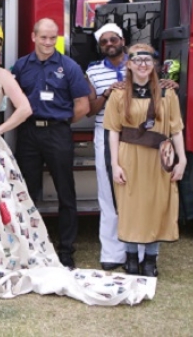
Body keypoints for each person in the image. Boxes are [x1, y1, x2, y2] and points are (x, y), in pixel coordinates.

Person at [0, 18, 156, 306]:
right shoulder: (3, 67)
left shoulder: (19, 72)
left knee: (50, 194)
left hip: (28, 137)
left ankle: (64, 251)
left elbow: (40, 106)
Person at [12, 18, 89, 268]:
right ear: (33, 37)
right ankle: (30, 248)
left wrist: (61, 121)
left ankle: (66, 251)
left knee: (66, 193)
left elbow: (82, 106)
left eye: (52, 37)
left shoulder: (70, 67)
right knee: (28, 193)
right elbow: (12, 100)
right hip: (28, 134)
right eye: (43, 37)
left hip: (58, 133)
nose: (48, 42)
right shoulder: (21, 66)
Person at [105, 44, 186, 277]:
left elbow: (176, 129)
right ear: (129, 65)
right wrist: (115, 164)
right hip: (129, 154)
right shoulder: (119, 94)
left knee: (156, 205)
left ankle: (150, 261)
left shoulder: (167, 94)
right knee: (131, 207)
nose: (142, 65)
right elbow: (113, 130)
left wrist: (182, 161)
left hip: (160, 157)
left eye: (147, 61)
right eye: (137, 61)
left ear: (154, 66)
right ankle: (131, 260)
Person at [85, 23, 128, 270]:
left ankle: (137, 250)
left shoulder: (140, 65)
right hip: (106, 132)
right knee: (108, 194)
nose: (109, 44)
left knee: (136, 194)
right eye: (104, 42)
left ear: (122, 40)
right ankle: (112, 253)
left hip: (137, 135)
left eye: (113, 39)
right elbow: (91, 110)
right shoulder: (92, 73)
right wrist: (108, 93)